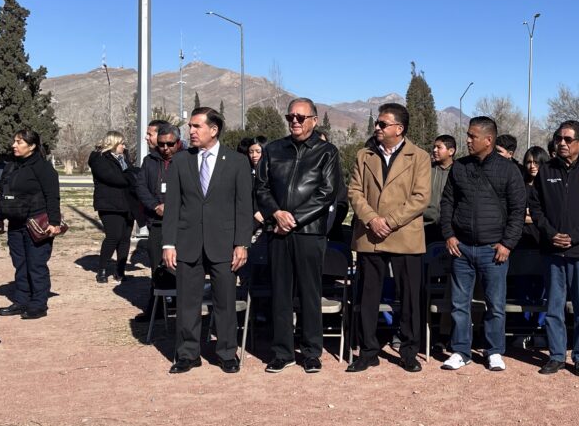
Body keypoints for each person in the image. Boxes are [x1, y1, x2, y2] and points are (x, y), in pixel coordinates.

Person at [163, 107, 253, 374]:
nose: (190, 131)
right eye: (190, 126)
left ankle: (226, 353)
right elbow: (172, 207)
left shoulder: (237, 162)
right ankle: (188, 354)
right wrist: (168, 243)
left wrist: (241, 243)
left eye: (196, 126)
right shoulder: (181, 161)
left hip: (224, 244)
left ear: (213, 130)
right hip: (188, 243)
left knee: (225, 301)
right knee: (187, 302)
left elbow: (243, 207)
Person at [254, 98, 341, 374]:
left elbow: (326, 192)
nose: (295, 121)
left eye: (301, 117)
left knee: (309, 293)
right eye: (290, 116)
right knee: (280, 293)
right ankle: (282, 352)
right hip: (278, 231)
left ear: (314, 120)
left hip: (309, 233)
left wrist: (294, 219)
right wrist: (276, 214)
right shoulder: (273, 149)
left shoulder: (327, 152)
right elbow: (261, 188)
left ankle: (312, 352)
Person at [346, 102, 430, 373]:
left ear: (399, 128)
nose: (377, 128)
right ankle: (368, 350)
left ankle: (408, 351)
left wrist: (390, 222)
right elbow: (354, 191)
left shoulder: (419, 157)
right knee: (368, 296)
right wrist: (372, 219)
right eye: (377, 124)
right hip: (371, 236)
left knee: (409, 298)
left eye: (383, 124)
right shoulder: (364, 155)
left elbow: (420, 198)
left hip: (404, 235)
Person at [439, 116, 527, 371]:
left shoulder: (508, 170)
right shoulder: (459, 167)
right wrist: (449, 234)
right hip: (461, 248)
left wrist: (507, 244)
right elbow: (447, 203)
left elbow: (517, 210)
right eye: (467, 135)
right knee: (459, 303)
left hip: (494, 250)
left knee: (495, 305)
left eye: (472, 136)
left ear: (488, 140)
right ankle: (461, 350)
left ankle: (494, 350)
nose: (467, 140)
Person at [529, 120, 579, 377]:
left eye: (567, 139)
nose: (561, 143)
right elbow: (536, 208)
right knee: (554, 306)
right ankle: (556, 356)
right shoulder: (546, 171)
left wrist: (573, 237)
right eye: (558, 139)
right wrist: (552, 234)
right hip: (553, 250)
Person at [0, 129, 62, 320]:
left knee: (36, 264)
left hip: (36, 223)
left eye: (19, 142)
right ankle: (21, 300)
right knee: (20, 263)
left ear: (32, 146)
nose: (14, 145)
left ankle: (38, 304)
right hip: (15, 223)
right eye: (14, 141)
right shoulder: (11, 167)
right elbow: (1, 192)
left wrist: (54, 222)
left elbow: (52, 195)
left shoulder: (42, 168)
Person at [132, 123, 182, 320]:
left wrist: (174, 208)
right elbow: (141, 186)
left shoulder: (187, 159)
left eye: (170, 144)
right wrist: (155, 206)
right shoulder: (150, 161)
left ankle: (180, 304)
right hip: (157, 222)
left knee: (179, 265)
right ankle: (156, 307)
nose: (165, 148)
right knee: (157, 266)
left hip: (180, 223)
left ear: (178, 142)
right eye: (161, 145)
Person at [88, 131, 139, 283]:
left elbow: (134, 174)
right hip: (109, 204)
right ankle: (102, 270)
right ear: (113, 143)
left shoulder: (125, 158)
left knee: (125, 238)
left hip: (128, 204)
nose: (124, 146)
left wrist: (131, 176)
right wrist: (131, 177)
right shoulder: (99, 159)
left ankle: (120, 270)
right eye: (122, 143)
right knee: (113, 236)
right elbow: (114, 178)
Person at [423, 134, 456, 242]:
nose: (434, 150)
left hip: (450, 230)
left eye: (439, 147)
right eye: (434, 147)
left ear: (451, 151)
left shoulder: (459, 172)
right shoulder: (426, 170)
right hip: (425, 226)